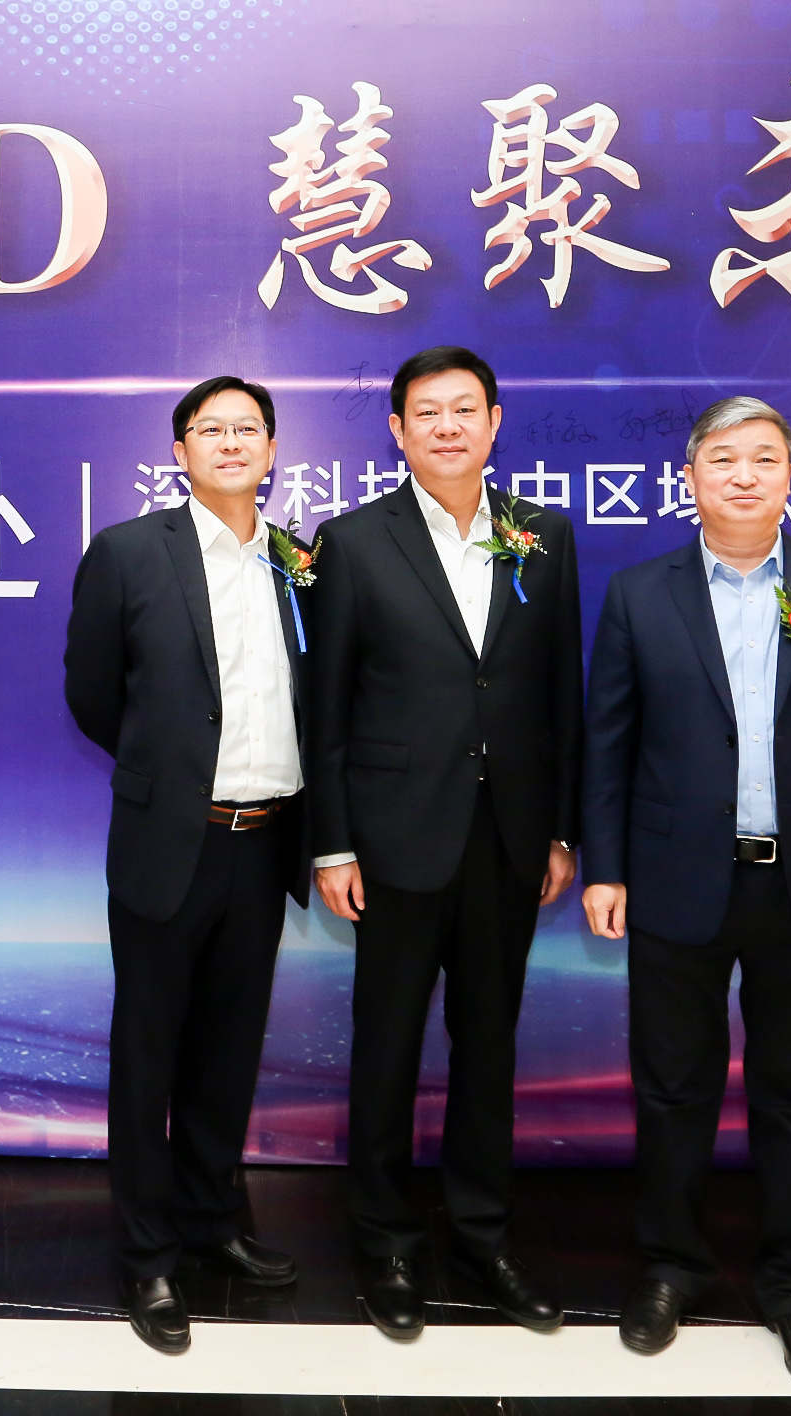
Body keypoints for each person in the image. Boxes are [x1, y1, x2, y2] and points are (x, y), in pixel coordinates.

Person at [580, 395, 791, 1398]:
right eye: (722, 458)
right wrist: (604, 866)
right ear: (688, 478)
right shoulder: (639, 594)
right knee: (671, 1087)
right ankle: (668, 1268)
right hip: (676, 877)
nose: (743, 475)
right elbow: (606, 745)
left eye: (763, 458)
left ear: (789, 476)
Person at [309, 346, 583, 1341]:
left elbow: (558, 690)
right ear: (396, 430)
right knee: (385, 1047)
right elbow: (325, 707)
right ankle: (383, 1242)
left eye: (464, 409)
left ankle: (481, 1235)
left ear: (495, 421)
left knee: (488, 1044)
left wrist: (559, 828)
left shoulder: (542, 536)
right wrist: (331, 844)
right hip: (393, 839)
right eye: (426, 412)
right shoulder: (351, 541)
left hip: (507, 837)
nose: (447, 426)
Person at [63, 376, 311, 1355]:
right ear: (180, 451)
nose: (230, 442)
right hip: (172, 840)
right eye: (211, 429)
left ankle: (214, 1224)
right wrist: (165, 772)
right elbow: (92, 693)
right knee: (150, 1053)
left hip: (266, 839)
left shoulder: (299, 560)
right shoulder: (128, 552)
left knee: (227, 1050)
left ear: (272, 449)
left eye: (247, 428)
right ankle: (147, 1255)